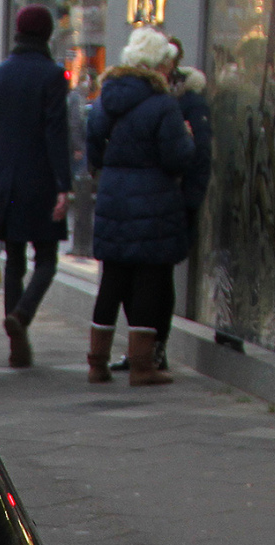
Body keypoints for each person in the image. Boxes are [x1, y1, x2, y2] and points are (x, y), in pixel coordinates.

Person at [84, 26, 194, 385]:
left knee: (112, 279)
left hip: (114, 195)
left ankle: (96, 363)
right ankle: (142, 366)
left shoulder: (106, 98)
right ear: (157, 66)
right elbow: (177, 157)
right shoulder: (163, 104)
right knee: (148, 279)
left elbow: (93, 148)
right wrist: (189, 140)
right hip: (152, 198)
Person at [0, 6, 72, 366]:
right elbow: (55, 132)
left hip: (7, 180)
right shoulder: (51, 76)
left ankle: (16, 345)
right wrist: (63, 184)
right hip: (43, 180)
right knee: (46, 259)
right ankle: (22, 314)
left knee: (14, 257)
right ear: (47, 34)